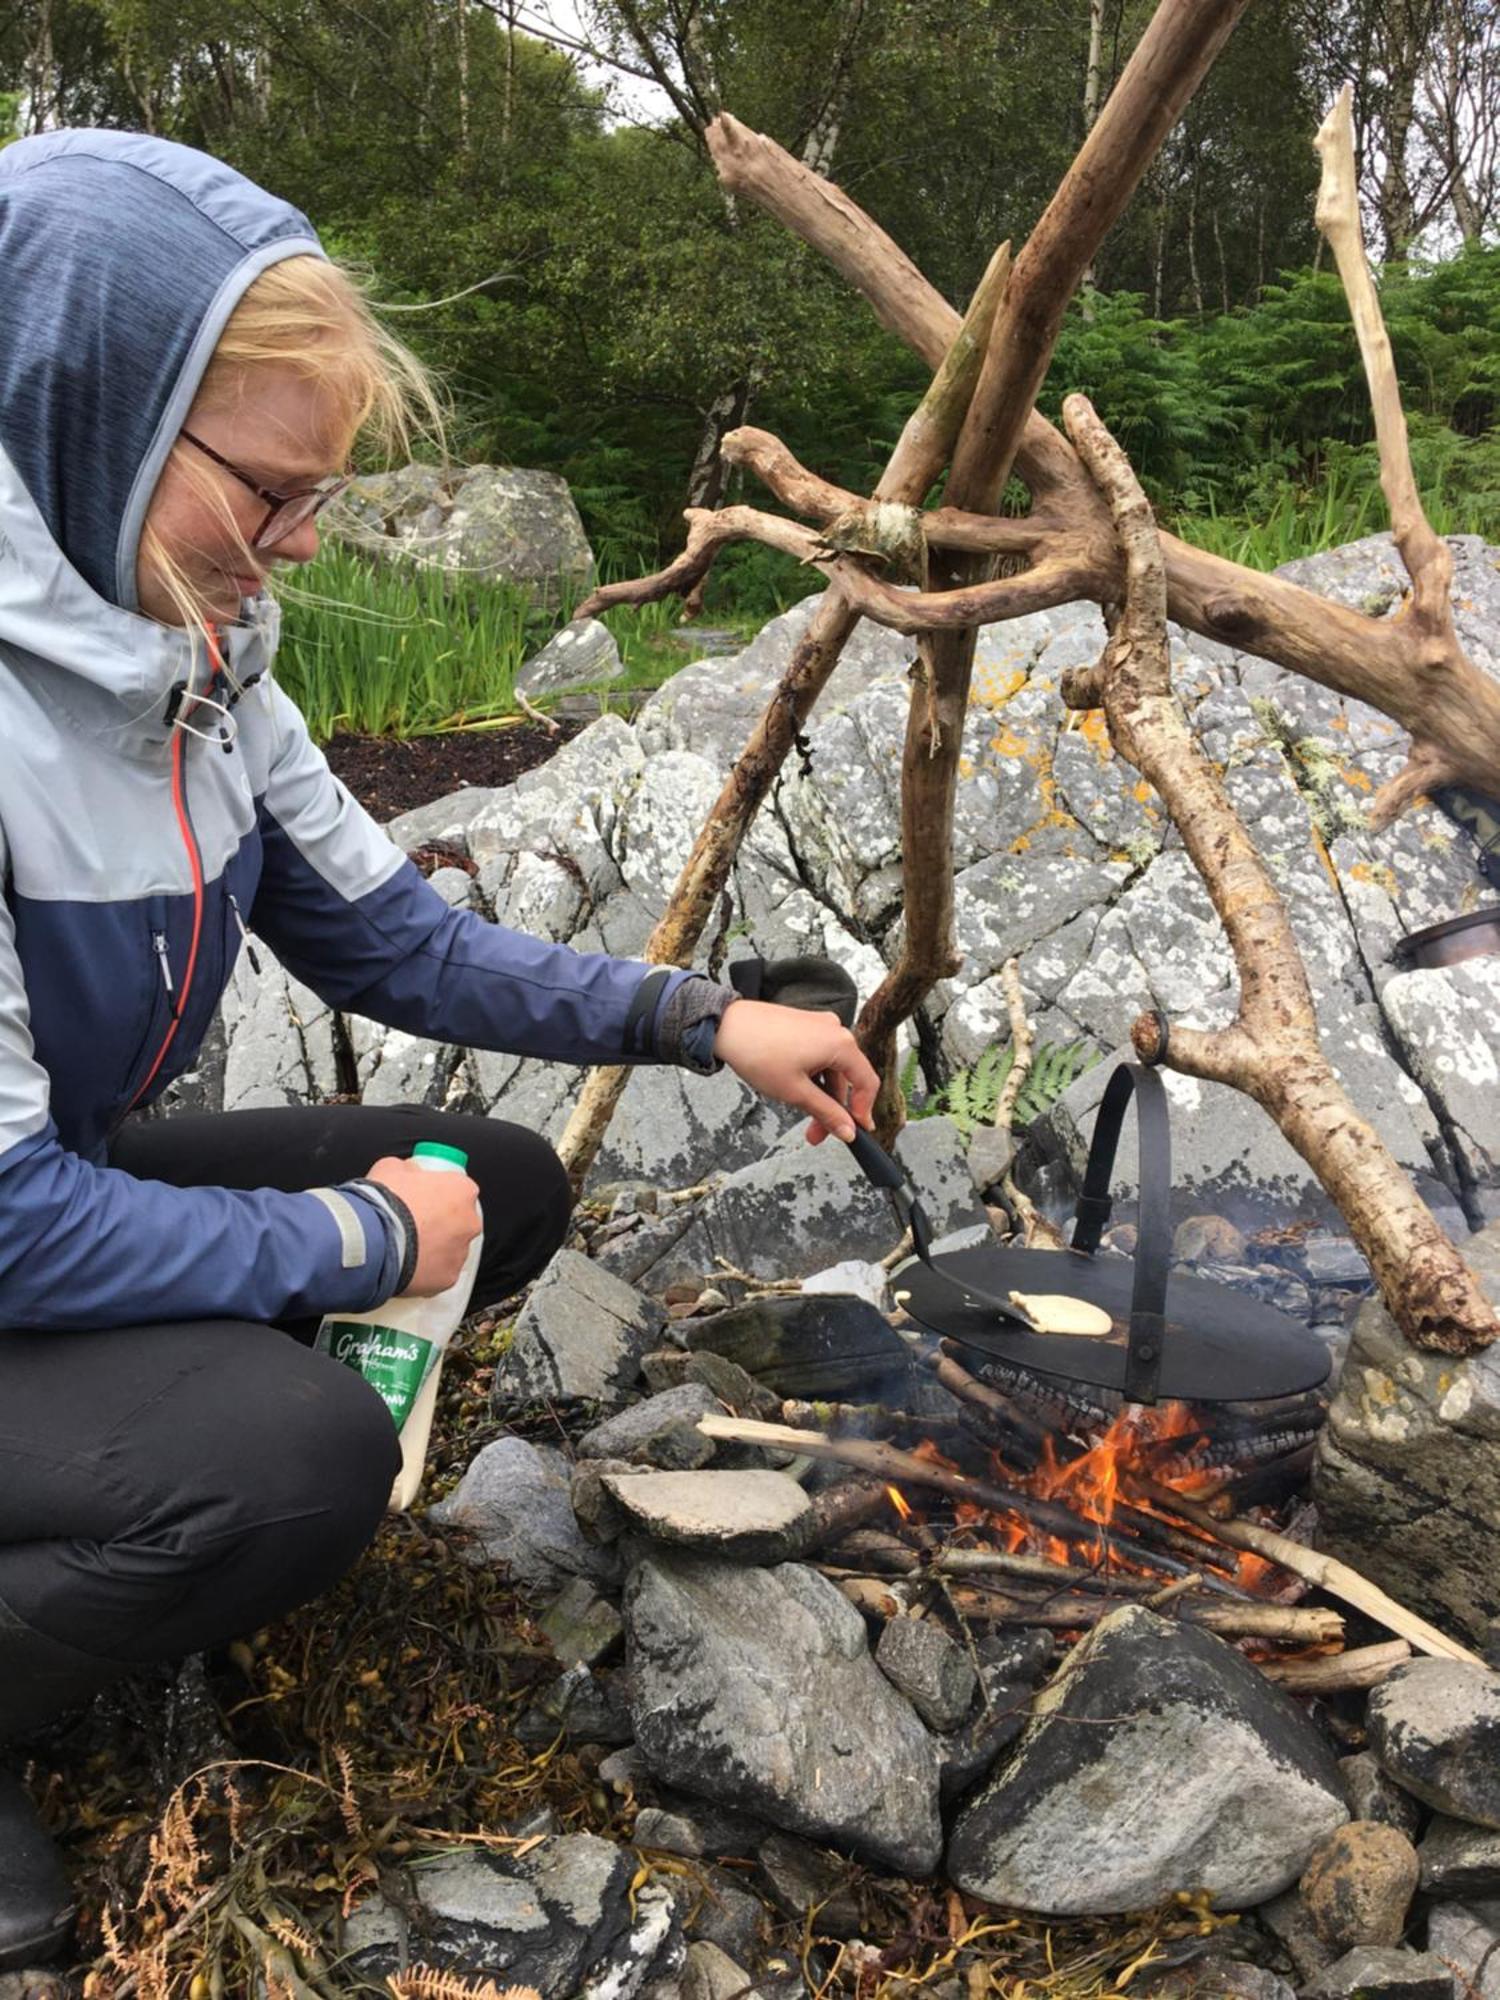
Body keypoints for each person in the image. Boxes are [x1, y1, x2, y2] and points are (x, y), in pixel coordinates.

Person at [0, 127, 880, 1969]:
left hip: (33, 1196)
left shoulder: (195, 654)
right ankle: (176, 1509)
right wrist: (363, 1245)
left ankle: (134, 1508)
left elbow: (392, 936)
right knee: (301, 1455)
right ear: (81, 406)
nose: (305, 542)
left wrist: (707, 1017)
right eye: (272, 489)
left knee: (507, 1180)